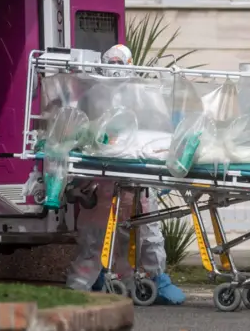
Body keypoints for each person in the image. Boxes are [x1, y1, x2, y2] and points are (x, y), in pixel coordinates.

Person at [75, 44, 185, 305]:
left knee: (144, 230)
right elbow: (84, 128)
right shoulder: (94, 94)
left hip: (132, 169)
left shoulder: (141, 93)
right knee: (99, 232)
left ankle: (150, 280)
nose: (115, 67)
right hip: (105, 171)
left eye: (119, 62)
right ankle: (93, 280)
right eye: (111, 61)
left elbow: (156, 126)